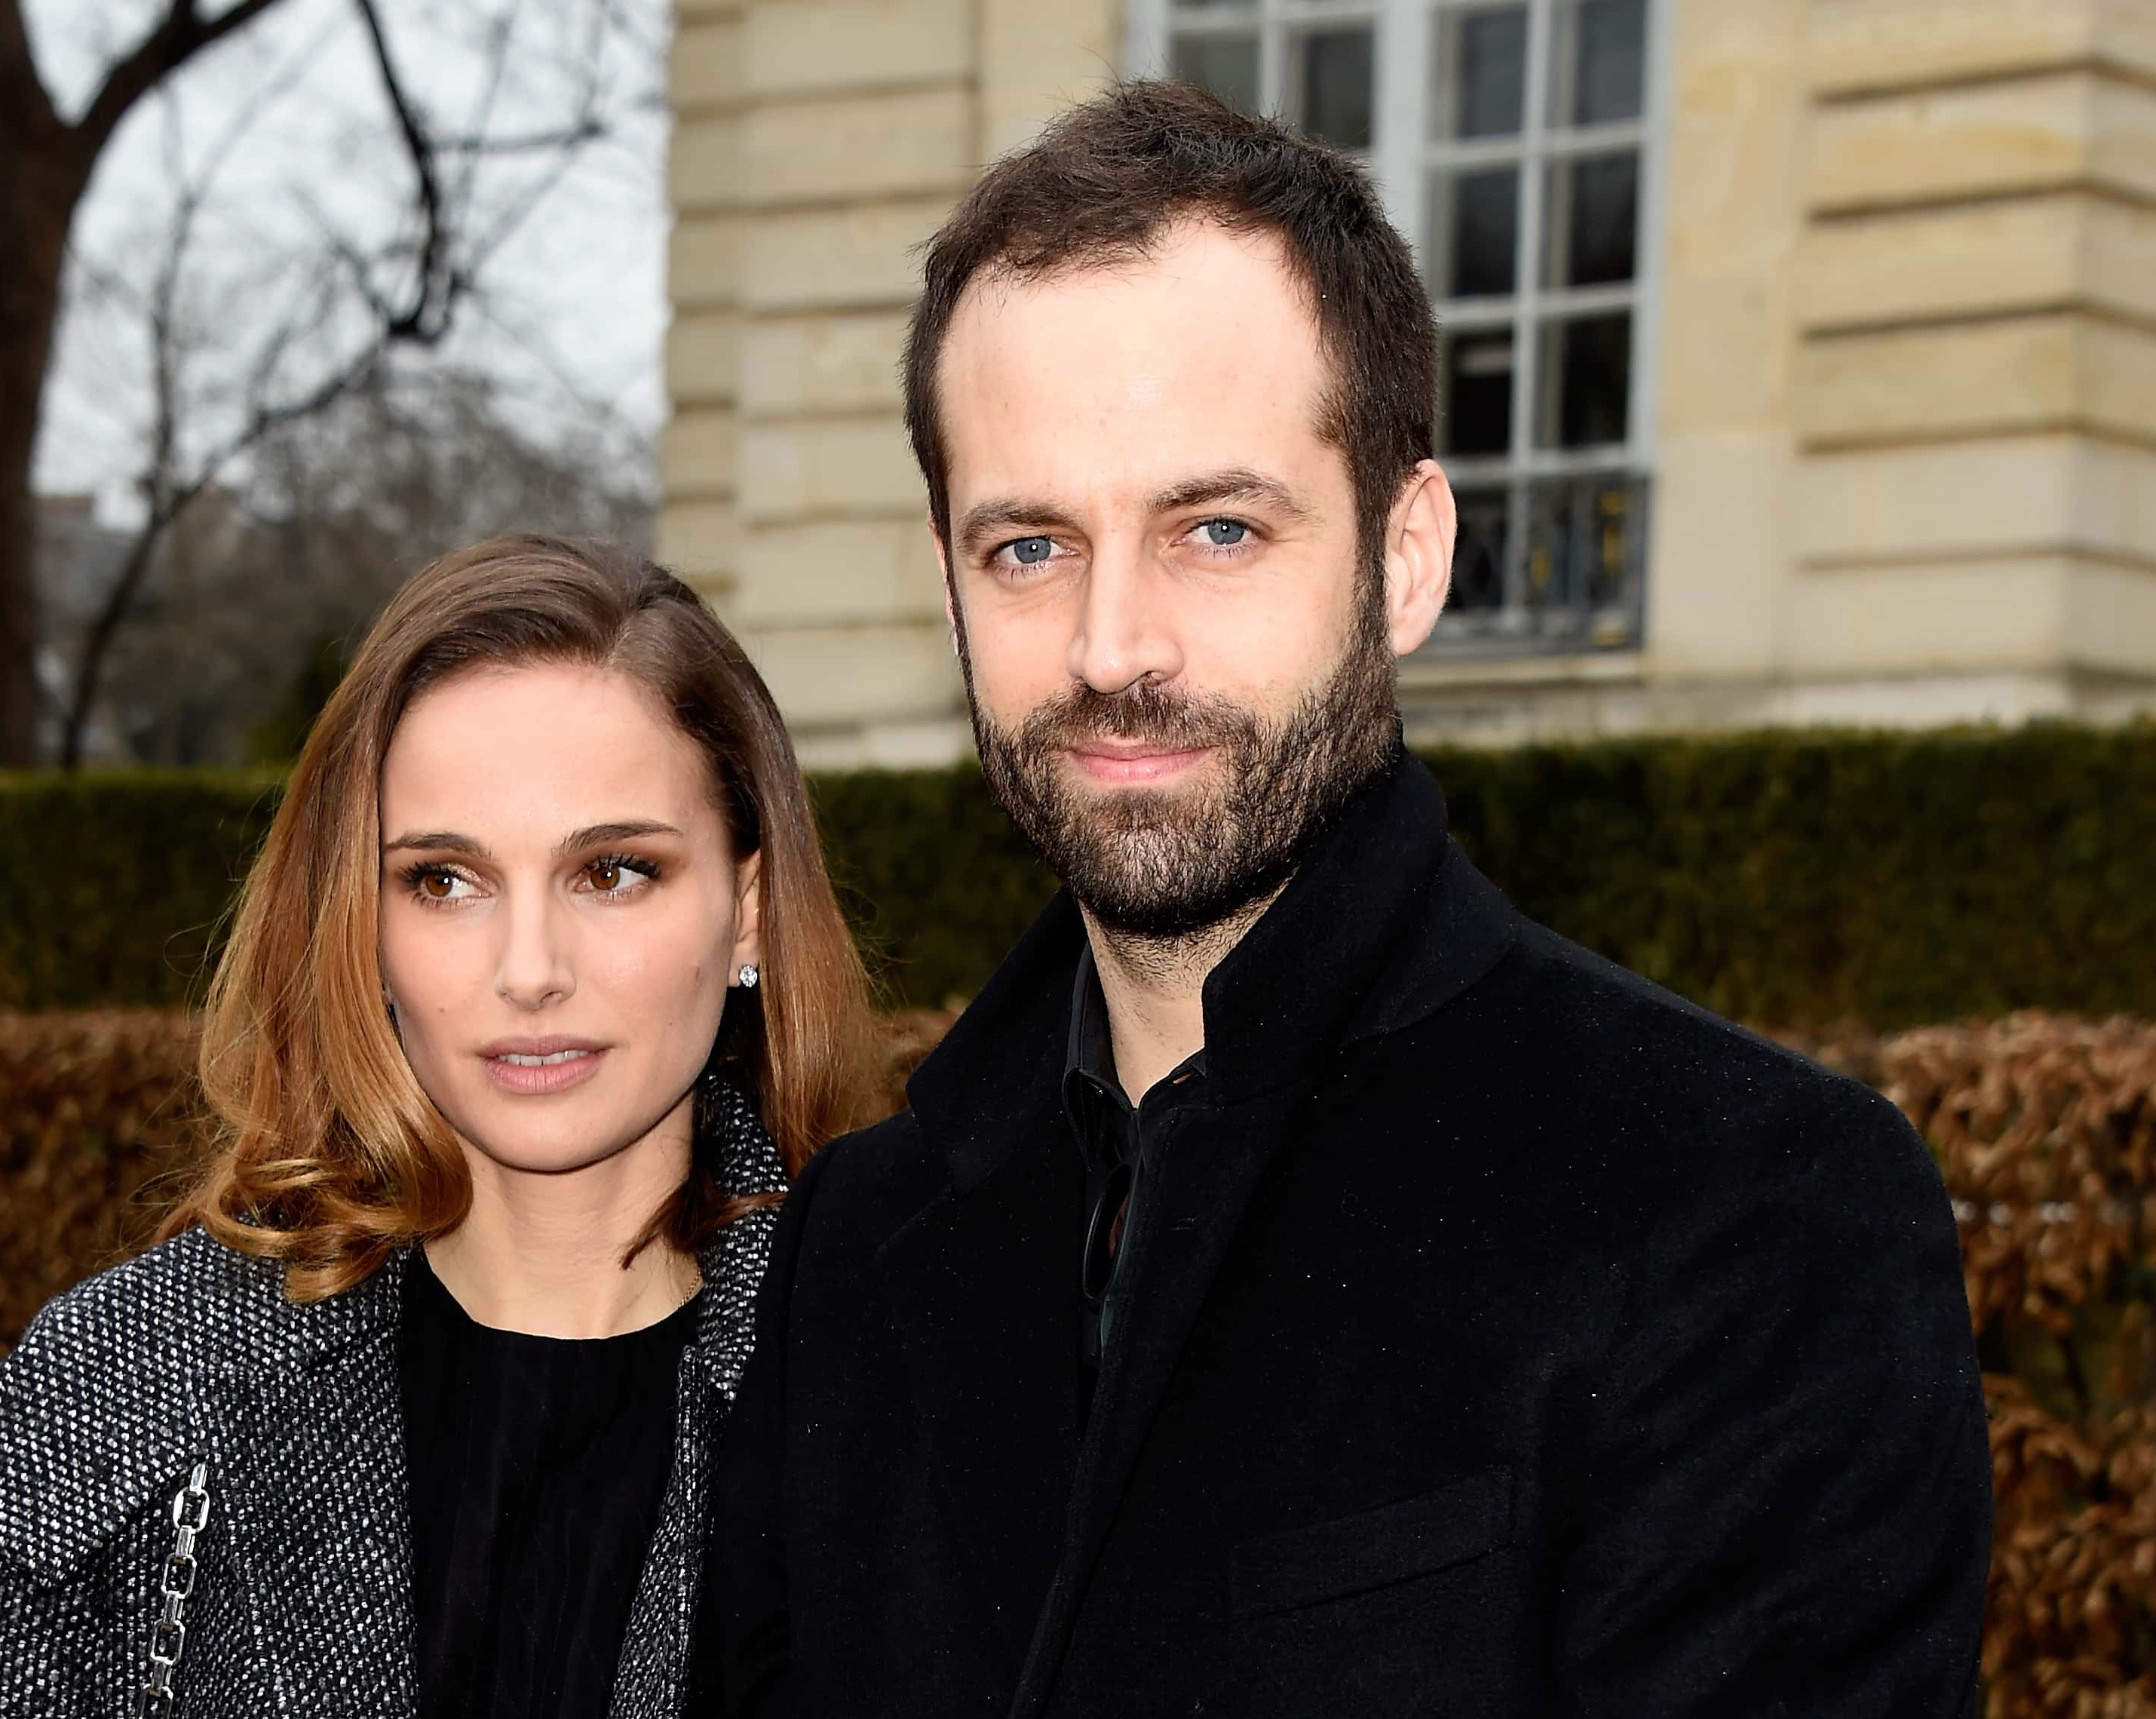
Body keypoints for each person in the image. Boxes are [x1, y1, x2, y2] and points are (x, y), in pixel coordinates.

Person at [695, 81, 1991, 1717]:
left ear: (1403, 555)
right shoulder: (858, 1246)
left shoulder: (1748, 1207)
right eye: (1026, 548)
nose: (1110, 648)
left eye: (1214, 529)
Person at [0, 535, 883, 1717]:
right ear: (358, 925)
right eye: (445, 881)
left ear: (745, 913)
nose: (529, 972)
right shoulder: (142, 1386)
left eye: (614, 871)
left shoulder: (907, 1384)